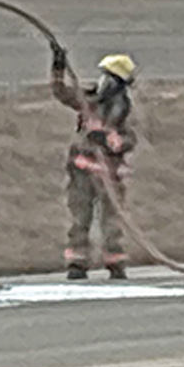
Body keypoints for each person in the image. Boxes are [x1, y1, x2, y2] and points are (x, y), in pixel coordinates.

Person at [50, 45, 138, 280]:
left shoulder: (124, 111)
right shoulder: (88, 101)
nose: (103, 82)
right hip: (82, 172)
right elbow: (61, 92)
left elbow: (130, 138)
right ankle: (77, 264)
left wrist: (112, 142)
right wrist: (58, 67)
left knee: (112, 221)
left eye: (109, 78)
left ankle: (115, 263)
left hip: (110, 175)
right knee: (79, 218)